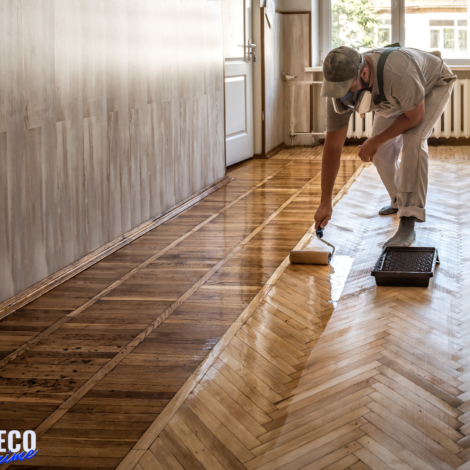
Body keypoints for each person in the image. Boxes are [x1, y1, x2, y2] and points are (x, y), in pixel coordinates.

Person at [314, 45, 456, 246]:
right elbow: (333, 148)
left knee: (414, 140)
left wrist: (375, 139)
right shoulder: (337, 91)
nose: (343, 97)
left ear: (364, 73)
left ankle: (408, 221)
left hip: (432, 84)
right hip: (395, 95)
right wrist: (325, 201)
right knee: (380, 152)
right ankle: (399, 201)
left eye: (348, 89)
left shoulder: (398, 71)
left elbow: (415, 118)